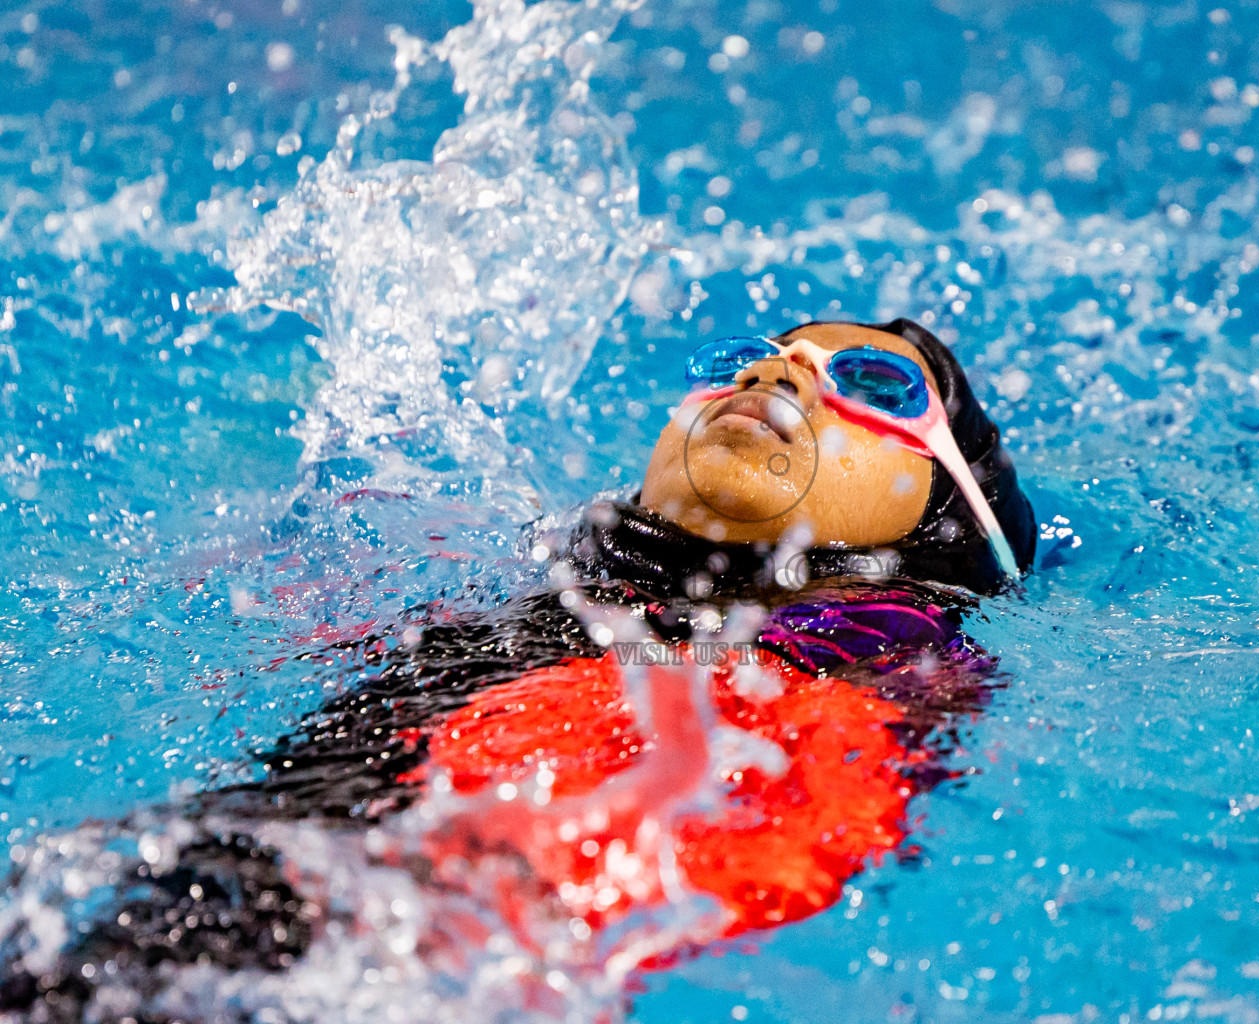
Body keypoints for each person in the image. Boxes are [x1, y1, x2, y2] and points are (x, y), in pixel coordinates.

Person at [0, 319, 1035, 1019]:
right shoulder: (544, 592)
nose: (775, 377)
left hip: (387, 938)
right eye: (748, 359)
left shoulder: (871, 681)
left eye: (872, 386)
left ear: (943, 512)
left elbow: (774, 861)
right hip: (236, 860)